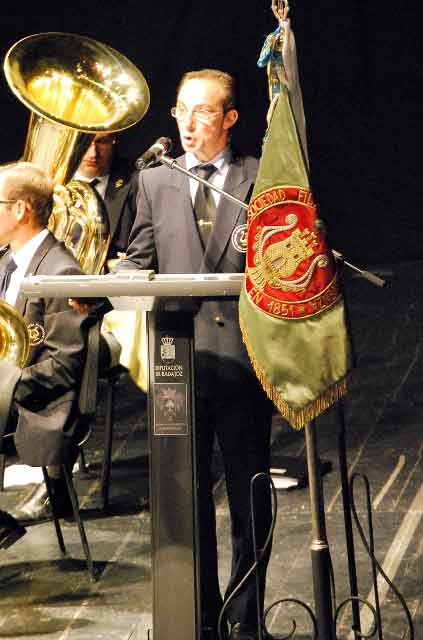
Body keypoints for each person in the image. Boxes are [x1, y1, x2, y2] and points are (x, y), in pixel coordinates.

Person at [115, 69, 274, 640]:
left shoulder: (258, 179)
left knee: (250, 495)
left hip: (244, 360)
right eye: (181, 110)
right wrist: (122, 279)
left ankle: (246, 617)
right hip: (177, 364)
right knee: (187, 498)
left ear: (230, 118)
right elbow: (139, 255)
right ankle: (201, 618)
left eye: (202, 112)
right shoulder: (156, 180)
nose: (187, 122)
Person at [0, 162, 92, 528]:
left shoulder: (59, 271)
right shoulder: (9, 260)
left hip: (38, 401)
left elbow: (63, 364)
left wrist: (5, 383)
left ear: (20, 209)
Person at [72, 132, 138, 267]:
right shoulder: (48, 180)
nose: (93, 153)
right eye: (84, 141)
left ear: (113, 139)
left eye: (102, 142)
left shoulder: (136, 181)